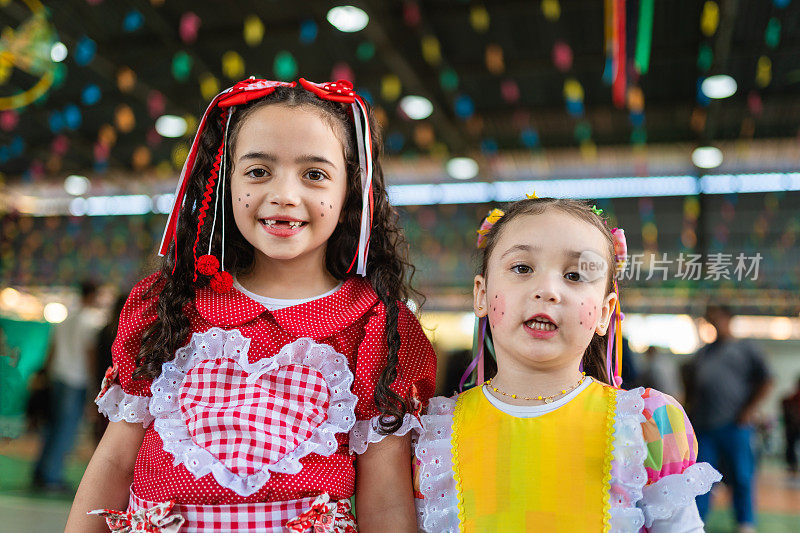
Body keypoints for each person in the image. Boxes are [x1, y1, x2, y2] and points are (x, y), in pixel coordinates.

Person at [66, 78, 437, 533]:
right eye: (258, 171)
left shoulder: (376, 326)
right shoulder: (167, 305)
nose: (284, 194)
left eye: (314, 174)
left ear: (350, 193)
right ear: (225, 183)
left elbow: (385, 501)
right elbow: (116, 461)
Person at [412, 197, 721, 532]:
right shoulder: (432, 433)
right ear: (481, 294)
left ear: (604, 312)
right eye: (522, 268)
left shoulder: (644, 426)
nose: (547, 290)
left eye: (574, 275)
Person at [685, 304, 772, 532]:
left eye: (717, 318)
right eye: (710, 319)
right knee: (701, 478)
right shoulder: (704, 353)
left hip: (735, 425)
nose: (713, 323)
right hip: (705, 426)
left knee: (741, 475)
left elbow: (767, 380)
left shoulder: (745, 348)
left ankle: (745, 523)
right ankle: (697, 523)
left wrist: (749, 410)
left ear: (729, 318)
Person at [32, 280, 100, 492]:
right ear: (92, 295)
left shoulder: (65, 318)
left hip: (58, 377)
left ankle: (41, 472)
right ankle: (52, 477)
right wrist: (94, 385)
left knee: (52, 427)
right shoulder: (89, 321)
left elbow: (51, 350)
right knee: (66, 430)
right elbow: (90, 355)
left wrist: (47, 374)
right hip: (75, 380)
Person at [91, 293, 128, 444]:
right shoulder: (129, 332)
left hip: (105, 384)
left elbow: (95, 358)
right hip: (123, 388)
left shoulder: (105, 330)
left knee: (103, 426)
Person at [781, 376, 800, 481]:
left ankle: (792, 466)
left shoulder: (790, 399)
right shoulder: (791, 399)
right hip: (792, 428)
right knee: (791, 447)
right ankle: (792, 466)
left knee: (791, 447)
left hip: (793, 428)